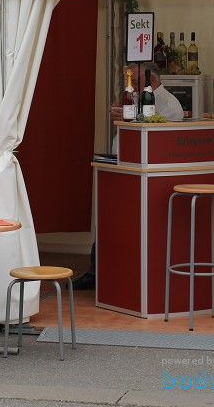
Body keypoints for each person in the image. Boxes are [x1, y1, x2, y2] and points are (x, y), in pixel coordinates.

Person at [73, 61, 183, 290]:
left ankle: (114, 273)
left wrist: (128, 120)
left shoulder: (170, 105)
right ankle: (99, 270)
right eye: (128, 79)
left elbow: (157, 142)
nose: (129, 85)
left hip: (147, 176)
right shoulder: (133, 99)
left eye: (134, 79)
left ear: (152, 80)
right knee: (109, 219)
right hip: (122, 165)